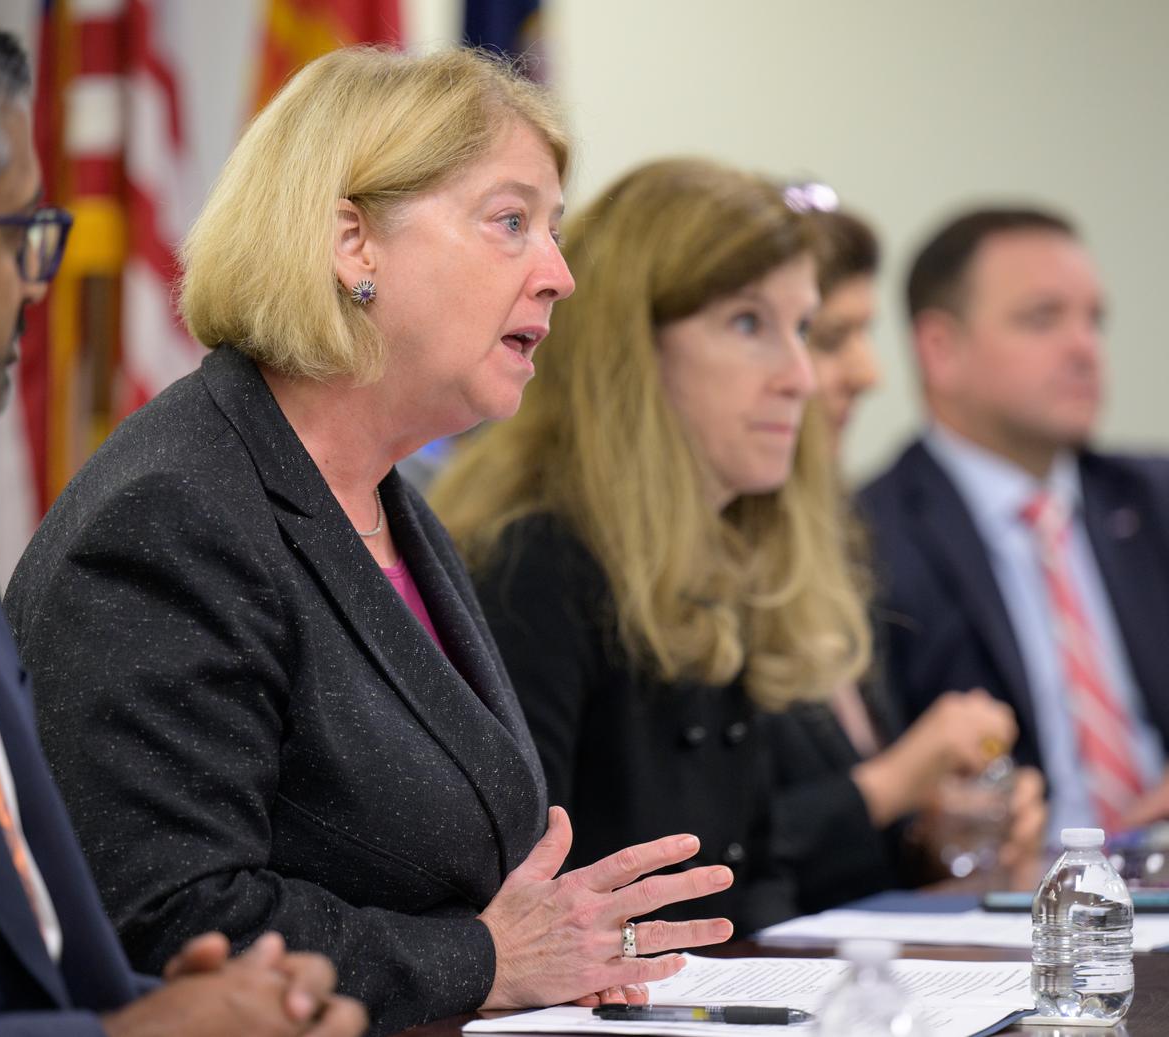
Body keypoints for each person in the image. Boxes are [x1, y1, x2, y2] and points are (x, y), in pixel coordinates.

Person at [4, 46, 734, 1037]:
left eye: (554, 233)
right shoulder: (172, 516)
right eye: (510, 222)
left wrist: (556, 951)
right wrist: (486, 960)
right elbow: (172, 923)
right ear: (354, 243)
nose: (560, 276)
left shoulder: (382, 498)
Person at [0, 4, 366, 1036]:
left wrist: (222, 1007)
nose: (38, 279)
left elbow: (27, 970)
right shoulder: (164, 506)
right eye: (15, 231)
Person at [430, 158, 874, 933]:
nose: (801, 377)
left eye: (802, 329)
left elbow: (752, 879)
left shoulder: (725, 549)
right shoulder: (532, 563)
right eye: (749, 324)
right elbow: (517, 906)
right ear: (631, 347)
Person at [759, 206, 1044, 912]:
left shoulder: (838, 540)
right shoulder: (688, 569)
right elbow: (721, 845)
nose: (869, 372)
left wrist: (942, 827)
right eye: (830, 338)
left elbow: (863, 849)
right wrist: (900, 778)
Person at [859, 207, 1169, 837]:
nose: (1084, 347)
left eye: (1094, 320)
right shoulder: (866, 538)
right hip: (1008, 884)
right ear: (941, 350)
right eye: (1042, 318)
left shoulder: (1154, 498)